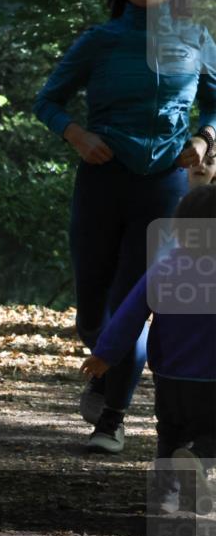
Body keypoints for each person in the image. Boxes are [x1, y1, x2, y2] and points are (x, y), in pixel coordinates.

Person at [34, 0, 216, 454]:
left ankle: (111, 420)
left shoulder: (196, 39)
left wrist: (204, 136)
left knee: (134, 298)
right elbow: (48, 100)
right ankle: (106, 368)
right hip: (102, 178)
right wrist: (76, 134)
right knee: (93, 309)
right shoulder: (100, 40)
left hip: (164, 186)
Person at [81, 184, 216, 513]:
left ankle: (165, 497)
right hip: (212, 379)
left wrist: (105, 354)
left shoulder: (164, 268)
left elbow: (130, 313)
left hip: (169, 375)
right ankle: (197, 458)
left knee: (169, 434)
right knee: (209, 434)